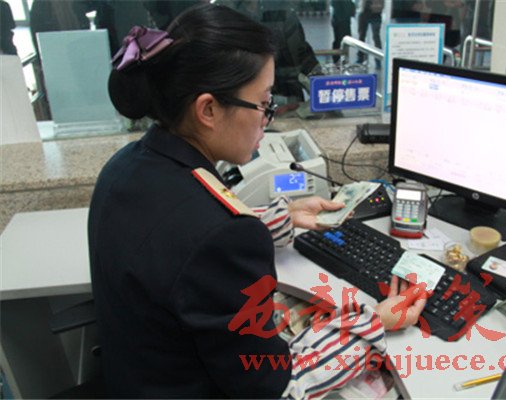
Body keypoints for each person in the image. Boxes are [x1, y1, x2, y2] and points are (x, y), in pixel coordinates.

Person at [90, 3, 426, 397]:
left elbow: (178, 245)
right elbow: (279, 388)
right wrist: (375, 322)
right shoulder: (220, 236)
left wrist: (281, 218)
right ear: (208, 109)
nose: (268, 118)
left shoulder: (124, 167)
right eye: (263, 104)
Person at [357, 0, 384, 68]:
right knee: (361, 36)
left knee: (376, 37)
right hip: (364, 13)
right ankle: (360, 58)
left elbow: (381, 5)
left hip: (375, 14)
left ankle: (378, 60)